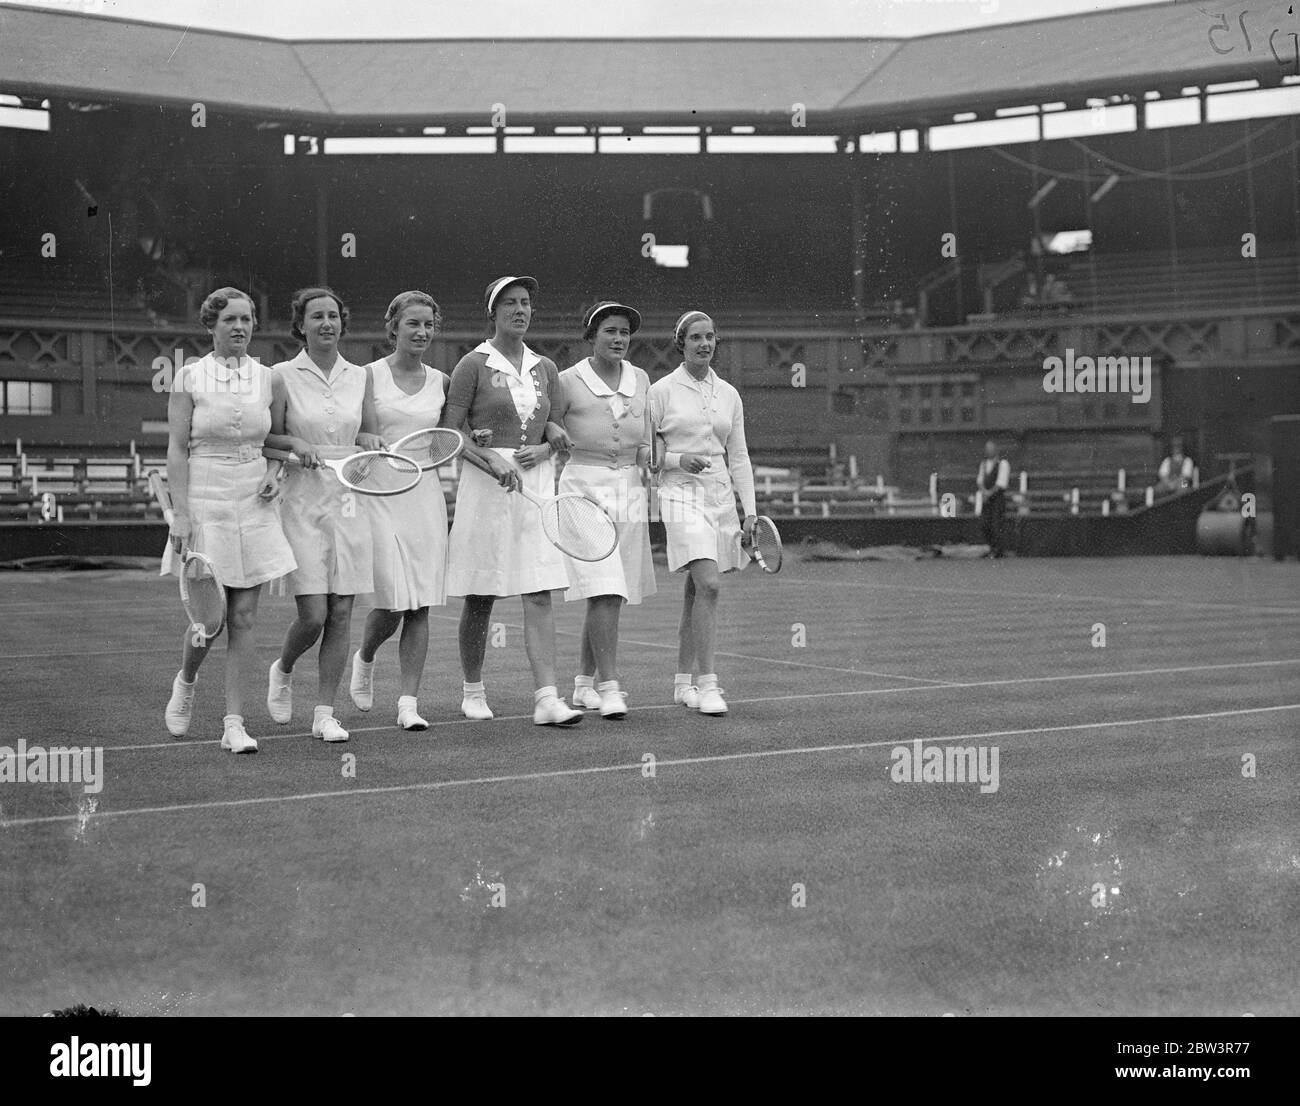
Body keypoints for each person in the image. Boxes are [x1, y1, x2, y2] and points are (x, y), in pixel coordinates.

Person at [441, 275, 582, 727]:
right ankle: (473, 689)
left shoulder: (546, 368)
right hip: (486, 485)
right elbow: (450, 434)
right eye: (510, 304)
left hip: (535, 484)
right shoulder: (472, 364)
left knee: (539, 589)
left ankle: (547, 698)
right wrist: (489, 462)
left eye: (525, 303)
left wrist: (546, 447)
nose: (520, 310)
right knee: (481, 595)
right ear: (493, 312)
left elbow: (556, 430)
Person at [162, 287, 296, 753]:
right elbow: (177, 449)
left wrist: (277, 474)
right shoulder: (189, 377)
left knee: (244, 616)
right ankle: (187, 680)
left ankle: (234, 723)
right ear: (211, 326)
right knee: (210, 620)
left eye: (247, 319)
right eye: (230, 320)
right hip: (203, 501)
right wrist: (180, 514)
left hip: (254, 501)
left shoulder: (269, 379)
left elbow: (277, 441)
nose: (240, 327)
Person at [265, 287, 384, 743]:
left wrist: (370, 442)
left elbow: (368, 431)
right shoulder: (280, 375)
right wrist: (296, 445)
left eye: (333, 316)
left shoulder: (361, 376)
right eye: (317, 316)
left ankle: (324, 712)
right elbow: (266, 441)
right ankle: (284, 667)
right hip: (301, 499)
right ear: (301, 325)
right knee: (313, 614)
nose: (327, 324)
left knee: (341, 611)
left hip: (351, 498)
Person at [548, 301, 656, 719]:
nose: (618, 339)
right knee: (604, 587)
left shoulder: (642, 378)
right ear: (591, 336)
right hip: (582, 489)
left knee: (610, 593)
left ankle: (582, 685)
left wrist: (648, 457)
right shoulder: (566, 380)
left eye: (625, 332)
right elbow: (549, 427)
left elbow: (643, 437)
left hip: (628, 489)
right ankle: (611, 687)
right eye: (610, 331)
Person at [348, 291, 451, 731]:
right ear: (393, 327)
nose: (421, 332)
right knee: (391, 603)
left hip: (424, 498)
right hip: (380, 495)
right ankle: (366, 656)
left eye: (428, 325)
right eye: (412, 324)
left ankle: (409, 701)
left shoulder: (441, 380)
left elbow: (449, 437)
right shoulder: (367, 376)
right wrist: (365, 439)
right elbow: (357, 434)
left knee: (421, 605)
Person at [649, 310, 756, 717]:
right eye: (696, 337)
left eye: (710, 336)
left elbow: (740, 455)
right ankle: (709, 684)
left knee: (697, 591)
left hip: (721, 500)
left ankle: (682, 683)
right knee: (709, 584)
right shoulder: (660, 391)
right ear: (682, 343)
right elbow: (649, 454)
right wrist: (678, 459)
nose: (705, 343)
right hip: (679, 496)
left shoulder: (729, 393)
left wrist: (750, 512)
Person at [976, 439, 1011, 558]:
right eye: (987, 449)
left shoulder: (1003, 464)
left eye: (991, 448)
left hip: (997, 499)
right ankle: (991, 547)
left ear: (996, 450)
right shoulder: (983, 464)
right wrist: (984, 493)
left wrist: (989, 493)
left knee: (996, 525)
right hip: (986, 499)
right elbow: (980, 480)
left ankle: (999, 550)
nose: (988, 451)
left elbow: (1001, 483)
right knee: (985, 524)